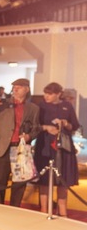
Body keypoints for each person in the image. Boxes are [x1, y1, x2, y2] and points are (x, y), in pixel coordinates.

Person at [0, 78, 40, 207]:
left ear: (27, 89)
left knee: (19, 183)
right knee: (1, 182)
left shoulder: (33, 108)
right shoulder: (2, 104)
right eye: (14, 87)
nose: (15, 89)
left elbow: (36, 128)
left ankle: (15, 209)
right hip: (3, 147)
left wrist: (29, 136)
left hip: (20, 149)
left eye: (19, 87)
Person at [33, 82, 80, 217]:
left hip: (64, 147)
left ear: (58, 94)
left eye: (50, 94)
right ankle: (44, 210)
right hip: (45, 146)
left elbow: (74, 125)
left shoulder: (67, 106)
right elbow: (35, 126)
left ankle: (62, 211)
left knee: (62, 180)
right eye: (45, 93)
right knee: (44, 179)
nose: (46, 96)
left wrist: (65, 123)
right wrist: (46, 128)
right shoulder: (40, 106)